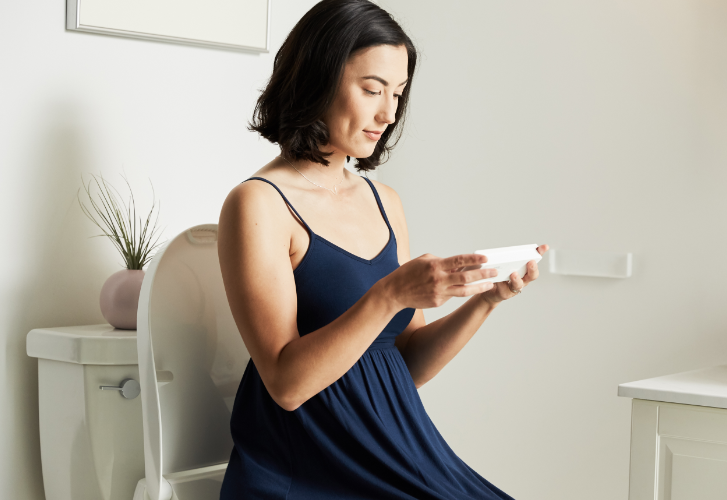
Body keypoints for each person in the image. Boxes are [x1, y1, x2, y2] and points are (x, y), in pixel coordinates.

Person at [217, 1, 548, 497]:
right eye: (372, 89)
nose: (388, 112)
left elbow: (404, 364)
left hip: (393, 452)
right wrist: (391, 294)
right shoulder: (259, 203)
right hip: (310, 469)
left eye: (398, 93)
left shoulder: (384, 201)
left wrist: (486, 300)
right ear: (317, 79)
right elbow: (285, 385)